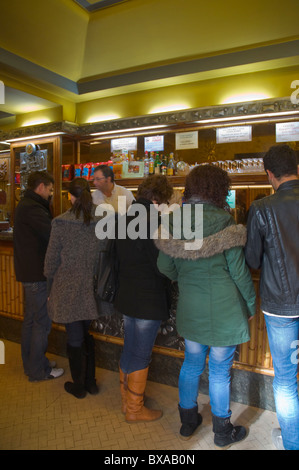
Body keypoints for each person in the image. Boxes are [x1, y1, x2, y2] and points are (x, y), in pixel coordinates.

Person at [156, 165, 256, 448]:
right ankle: (222, 432)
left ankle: (188, 422)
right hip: (225, 309)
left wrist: (186, 276)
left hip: (191, 304)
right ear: (218, 189)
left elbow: (164, 265)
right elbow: (238, 272)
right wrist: (250, 304)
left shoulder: (174, 220)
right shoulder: (225, 221)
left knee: (191, 363)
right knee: (220, 371)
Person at [245, 144, 299, 451]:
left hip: (281, 306)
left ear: (269, 175)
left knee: (286, 379)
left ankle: (292, 443)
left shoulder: (262, 208)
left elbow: (252, 259)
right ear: (298, 169)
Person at [115, 174, 173, 423]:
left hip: (126, 295)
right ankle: (135, 410)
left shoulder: (120, 220)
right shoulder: (159, 222)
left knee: (129, 347)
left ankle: (126, 402)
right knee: (141, 353)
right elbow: (164, 266)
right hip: (149, 298)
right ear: (158, 199)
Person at [44, 177, 105, 399]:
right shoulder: (104, 217)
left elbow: (51, 262)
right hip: (93, 286)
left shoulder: (61, 222)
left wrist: (49, 285)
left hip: (67, 286)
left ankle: (79, 385)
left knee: (74, 336)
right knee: (87, 331)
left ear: (70, 196)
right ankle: (91, 382)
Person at [13, 171, 64, 382]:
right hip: (37, 275)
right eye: (50, 190)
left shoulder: (26, 205)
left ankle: (32, 363)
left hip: (28, 272)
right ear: (41, 187)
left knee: (31, 322)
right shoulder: (33, 208)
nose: (51, 194)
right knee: (41, 323)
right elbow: (52, 234)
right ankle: (38, 371)